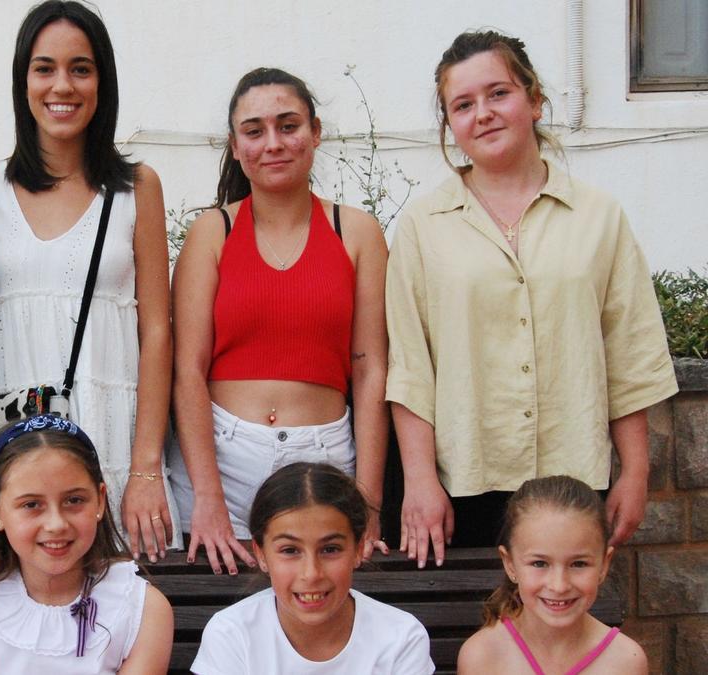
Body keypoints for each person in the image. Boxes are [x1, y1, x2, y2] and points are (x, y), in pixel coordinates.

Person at [386, 30, 678, 569]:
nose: (484, 114)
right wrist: (421, 480)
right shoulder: (422, 228)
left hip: (572, 479)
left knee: (564, 635)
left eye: (499, 93)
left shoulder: (599, 217)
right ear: (450, 123)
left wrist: (635, 474)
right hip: (463, 482)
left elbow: (630, 354)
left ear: (535, 100)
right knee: (472, 639)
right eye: (464, 104)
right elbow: (410, 366)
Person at [0, 0, 180, 562]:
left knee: (117, 601)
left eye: (81, 68)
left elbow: (158, 332)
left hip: (113, 428)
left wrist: (147, 466)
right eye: (44, 67)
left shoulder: (137, 186)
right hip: (14, 432)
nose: (63, 85)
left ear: (103, 81)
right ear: (22, 80)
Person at [169, 67, 390, 575]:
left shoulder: (356, 231)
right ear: (235, 144)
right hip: (224, 457)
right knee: (216, 615)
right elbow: (188, 369)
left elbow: (371, 368)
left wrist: (370, 503)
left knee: (318, 614)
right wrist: (208, 495)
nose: (273, 143)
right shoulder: (213, 231)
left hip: (326, 457)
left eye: (288, 125)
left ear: (315, 132)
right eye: (254, 130)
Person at [0, 414, 173, 673]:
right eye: (31, 505)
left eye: (73, 500)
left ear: (100, 500)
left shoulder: (141, 608)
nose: (56, 524)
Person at [191, 462, 432, 674]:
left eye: (330, 549)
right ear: (261, 554)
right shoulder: (232, 634)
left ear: (359, 549)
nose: (312, 573)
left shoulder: (401, 637)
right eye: (290, 551)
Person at [458, 475, 647, 674]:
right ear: (510, 564)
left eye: (579, 564)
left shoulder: (626, 661)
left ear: (604, 564)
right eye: (539, 563)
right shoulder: (482, 657)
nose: (559, 585)